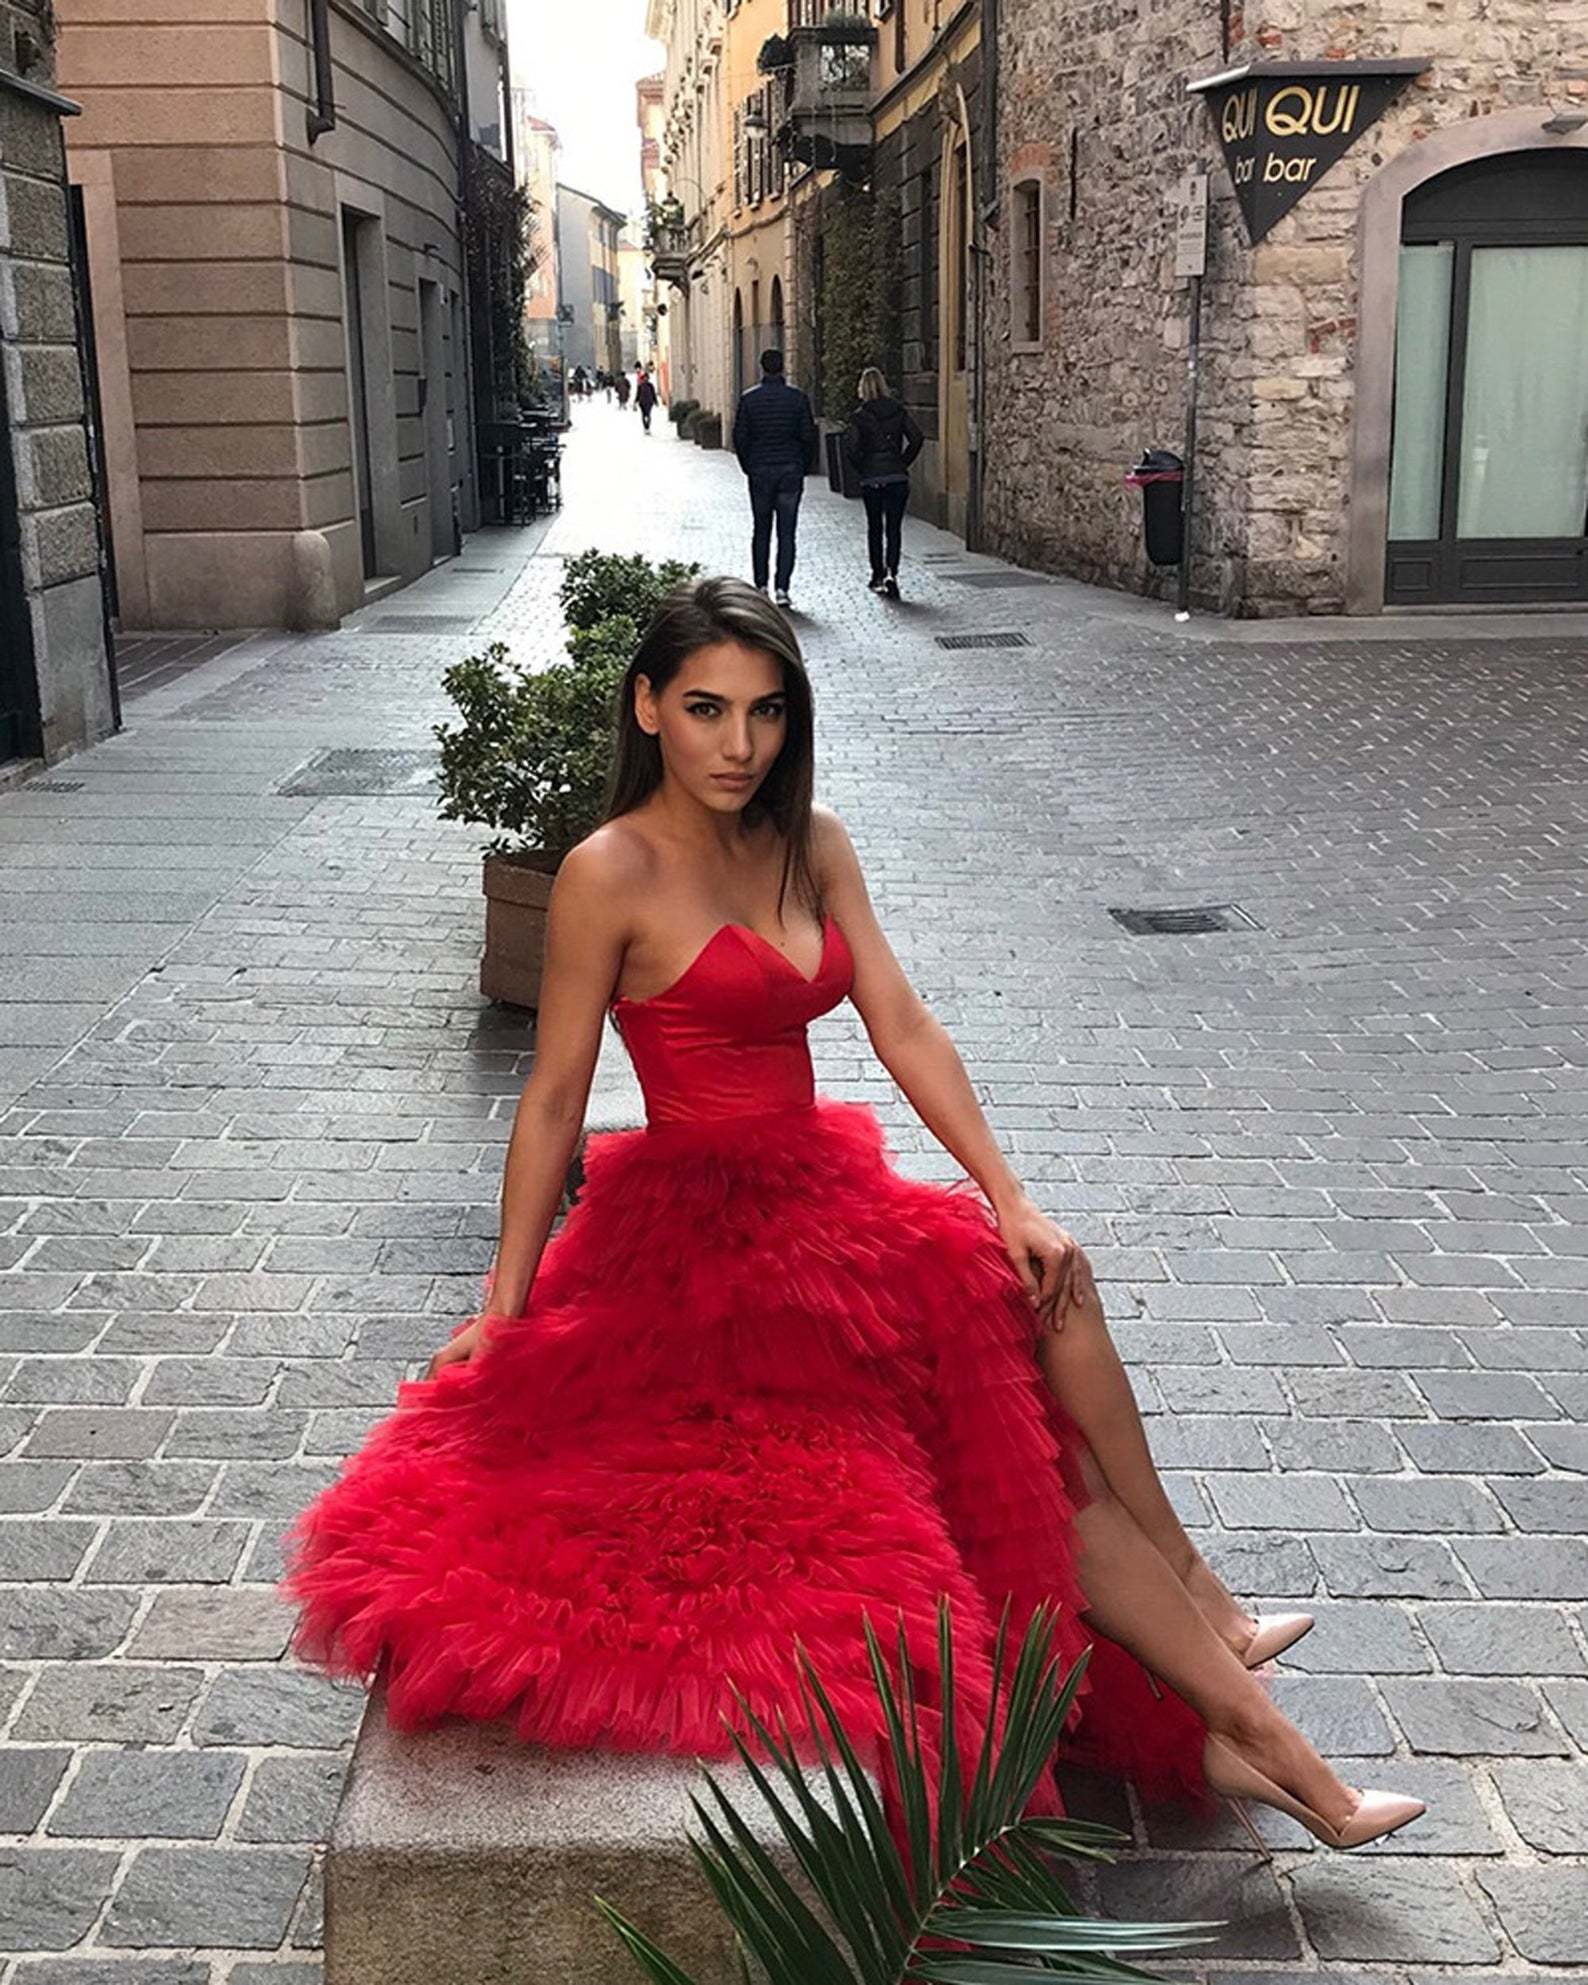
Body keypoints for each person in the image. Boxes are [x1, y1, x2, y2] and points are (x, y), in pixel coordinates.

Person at [279, 577, 1428, 1857]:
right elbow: (551, 1099)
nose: (738, 743)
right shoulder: (611, 869)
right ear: (646, 705)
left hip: (825, 1202)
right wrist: (505, 1306)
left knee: (1053, 1278)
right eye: (707, 708)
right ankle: (1252, 1723)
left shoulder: (810, 839)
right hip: (703, 1240)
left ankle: (1212, 1624)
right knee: (1032, 1443)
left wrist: (1008, 1193)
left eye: (766, 712)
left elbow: (903, 1022)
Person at [731, 347, 817, 610]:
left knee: (761, 529)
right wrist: (802, 465)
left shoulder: (749, 400)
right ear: (783, 367)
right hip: (789, 470)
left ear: (761, 367)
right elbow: (808, 435)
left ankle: (761, 586)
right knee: (787, 532)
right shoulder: (797, 399)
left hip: (760, 471)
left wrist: (749, 465)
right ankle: (782, 588)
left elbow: (740, 437)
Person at [843, 366, 924, 600]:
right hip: (896, 477)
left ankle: (877, 574)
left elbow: (851, 449)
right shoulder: (898, 411)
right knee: (894, 528)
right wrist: (902, 462)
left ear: (863, 388)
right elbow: (916, 438)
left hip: (873, 479)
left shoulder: (859, 416)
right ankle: (892, 573)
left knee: (875, 528)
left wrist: (863, 468)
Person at [635, 367, 658, 434]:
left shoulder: (650, 386)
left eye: (646, 378)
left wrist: (655, 401)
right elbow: (638, 394)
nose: (645, 379)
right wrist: (635, 401)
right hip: (642, 402)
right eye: (644, 378)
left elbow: (653, 393)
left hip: (649, 402)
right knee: (643, 415)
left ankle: (647, 427)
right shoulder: (640, 386)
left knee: (648, 415)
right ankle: (645, 427)